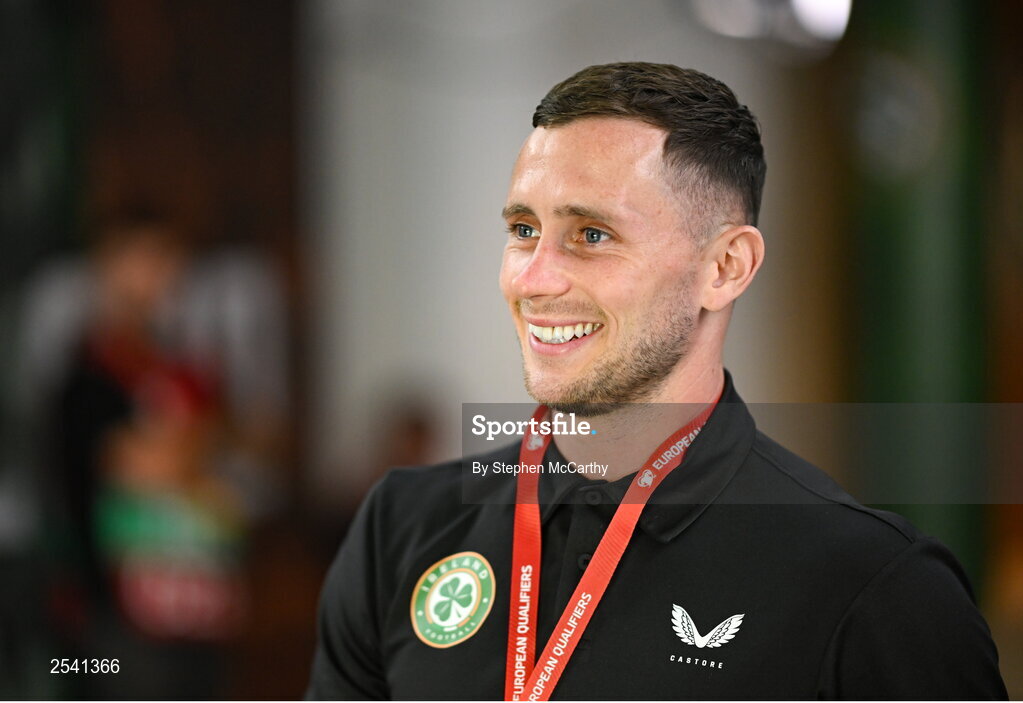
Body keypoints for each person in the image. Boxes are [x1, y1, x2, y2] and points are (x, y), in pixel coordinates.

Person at [306, 63, 1007, 700]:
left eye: (591, 234)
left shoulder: (873, 587)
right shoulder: (402, 527)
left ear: (725, 267)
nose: (532, 278)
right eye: (523, 228)